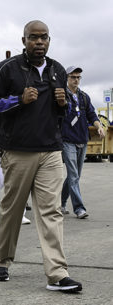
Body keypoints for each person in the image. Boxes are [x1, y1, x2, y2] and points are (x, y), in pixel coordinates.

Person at [0, 20, 82, 292]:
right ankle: (2, 261)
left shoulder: (57, 70)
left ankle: (57, 273)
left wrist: (64, 102)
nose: (39, 42)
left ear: (49, 40)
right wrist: (17, 100)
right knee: (12, 210)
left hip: (50, 151)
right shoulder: (7, 69)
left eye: (44, 38)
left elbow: (67, 113)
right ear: (23, 40)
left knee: (52, 211)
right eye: (33, 38)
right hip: (17, 151)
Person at [60, 66, 104, 218]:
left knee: (75, 175)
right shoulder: (61, 95)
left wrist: (99, 127)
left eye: (78, 77)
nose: (76, 80)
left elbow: (92, 115)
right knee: (73, 175)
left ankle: (61, 203)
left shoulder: (84, 97)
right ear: (67, 78)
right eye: (73, 77)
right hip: (67, 141)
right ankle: (79, 208)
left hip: (82, 140)